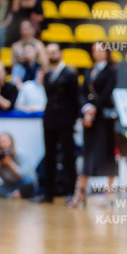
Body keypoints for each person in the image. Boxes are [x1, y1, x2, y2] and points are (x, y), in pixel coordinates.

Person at [70, 42, 117, 207]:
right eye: (95, 50)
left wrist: (92, 109)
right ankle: (80, 192)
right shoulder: (89, 70)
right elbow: (82, 92)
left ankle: (110, 193)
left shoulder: (112, 71)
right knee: (88, 154)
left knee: (107, 155)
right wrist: (86, 109)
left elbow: (107, 93)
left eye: (100, 50)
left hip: (104, 119)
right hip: (89, 119)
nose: (97, 53)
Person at [36, 43, 79, 203]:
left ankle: (70, 192)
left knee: (68, 157)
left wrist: (73, 120)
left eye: (54, 52)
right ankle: (49, 193)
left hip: (65, 121)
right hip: (49, 120)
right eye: (49, 53)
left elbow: (76, 99)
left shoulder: (69, 74)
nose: (51, 55)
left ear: (60, 53)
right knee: (49, 157)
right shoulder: (47, 75)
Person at [0, 132, 36, 198]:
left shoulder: (19, 154)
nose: (4, 144)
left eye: (6, 141)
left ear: (11, 142)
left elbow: (24, 175)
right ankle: (9, 195)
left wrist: (10, 163)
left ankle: (8, 195)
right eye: (1, 142)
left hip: (19, 185)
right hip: (7, 186)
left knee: (28, 181)